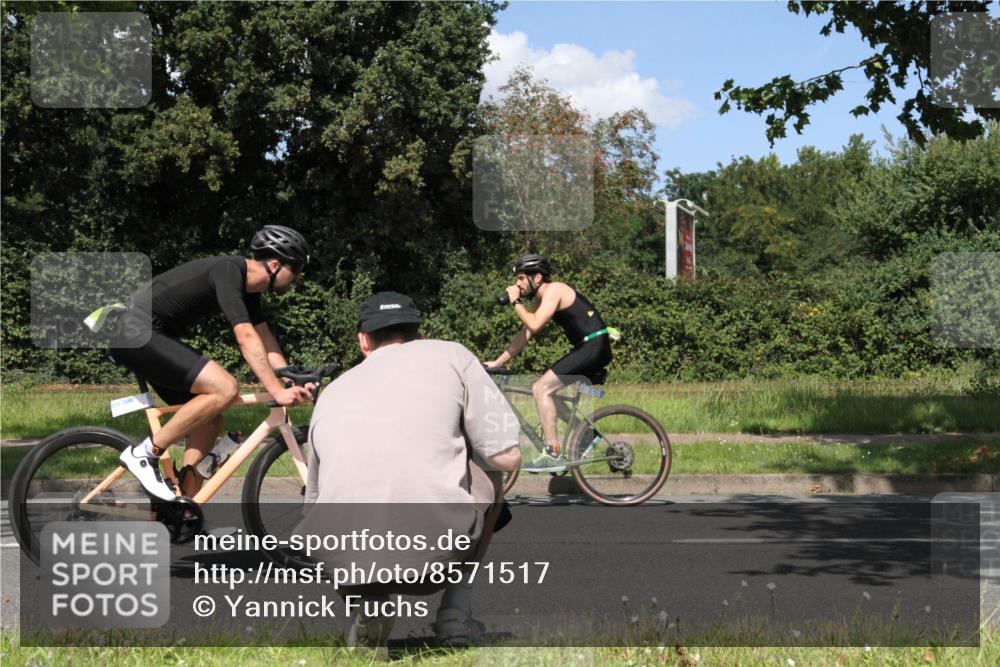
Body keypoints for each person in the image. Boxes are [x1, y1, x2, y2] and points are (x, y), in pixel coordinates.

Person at [299, 291, 521, 655]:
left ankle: (366, 609)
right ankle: (454, 614)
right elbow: (507, 456)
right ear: (420, 335)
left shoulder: (333, 390)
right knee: (489, 474)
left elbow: (312, 503)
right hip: (432, 561)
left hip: (344, 561)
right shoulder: (452, 355)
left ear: (363, 341)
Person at [110, 225, 314, 501]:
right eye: (297, 268)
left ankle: (184, 512)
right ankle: (144, 454)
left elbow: (263, 337)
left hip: (150, 335)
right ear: (276, 265)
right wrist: (276, 390)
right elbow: (246, 337)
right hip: (135, 332)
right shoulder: (229, 271)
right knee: (225, 388)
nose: (298, 277)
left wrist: (287, 376)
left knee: (209, 420)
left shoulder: (249, 290)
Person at [486, 254, 615, 469]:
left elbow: (534, 324)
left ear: (536, 278)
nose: (517, 284)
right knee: (548, 393)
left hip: (593, 346)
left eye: (520, 278)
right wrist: (498, 362)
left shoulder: (555, 290)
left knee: (541, 388)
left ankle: (553, 453)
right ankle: (587, 436)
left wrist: (516, 301)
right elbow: (526, 334)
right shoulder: (541, 298)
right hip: (587, 347)